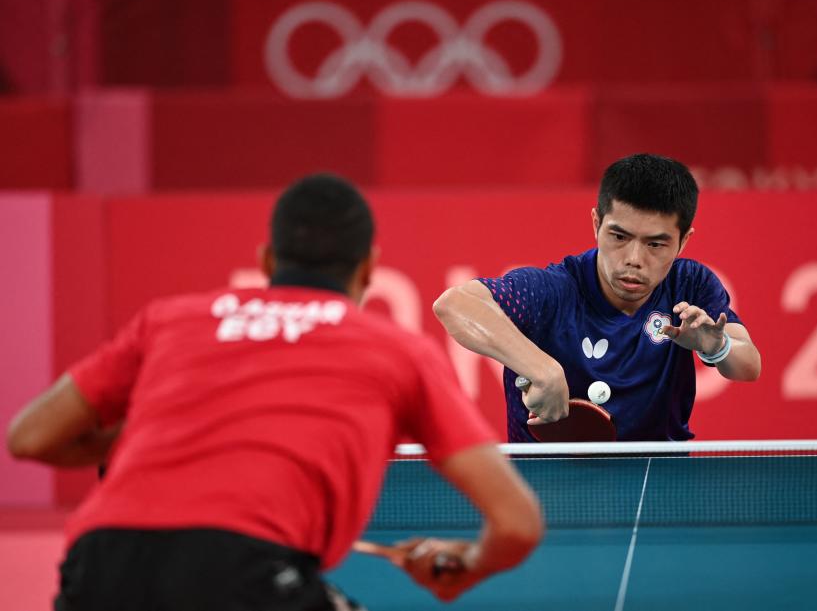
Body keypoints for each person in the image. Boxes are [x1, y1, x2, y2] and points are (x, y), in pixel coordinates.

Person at [6, 174, 543, 611]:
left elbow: (30, 437)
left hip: (101, 565)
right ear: (369, 270)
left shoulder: (168, 321)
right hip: (247, 574)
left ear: (266, 261)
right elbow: (518, 522)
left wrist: (152, 429)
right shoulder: (399, 351)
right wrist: (466, 566)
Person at [434, 153, 761, 442]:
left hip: (662, 483)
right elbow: (455, 304)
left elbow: (748, 367)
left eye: (655, 244)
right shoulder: (554, 292)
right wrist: (542, 368)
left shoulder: (690, 285)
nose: (633, 258)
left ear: (683, 242)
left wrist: (716, 348)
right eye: (619, 236)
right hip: (543, 486)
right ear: (596, 224)